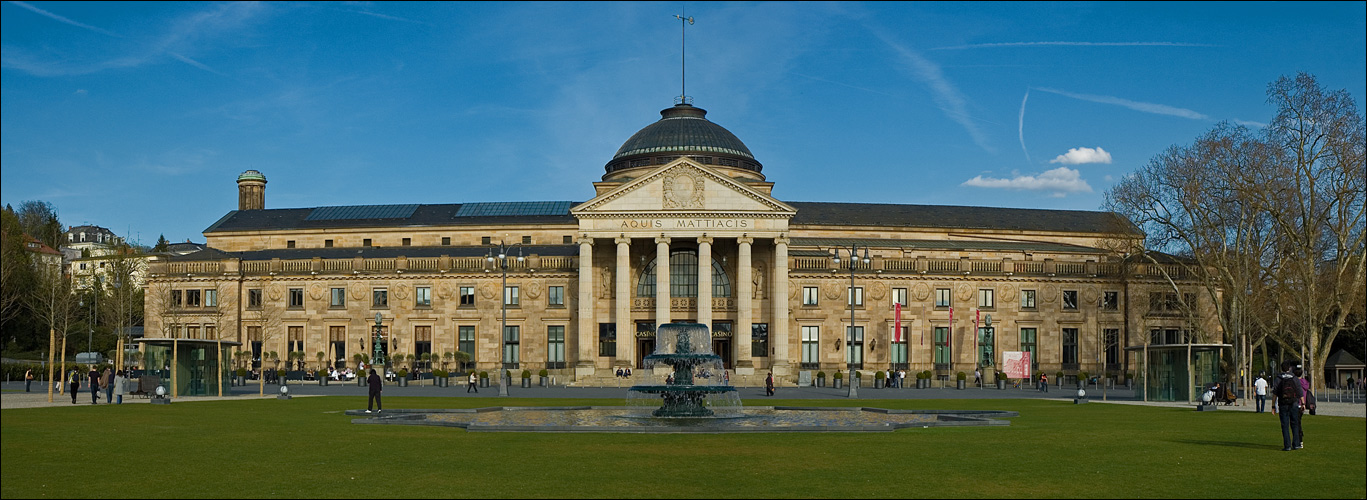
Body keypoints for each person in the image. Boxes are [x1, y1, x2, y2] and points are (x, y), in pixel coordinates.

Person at [1271, 360, 1303, 451]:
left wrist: (1273, 406)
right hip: (1294, 402)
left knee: (1285, 425)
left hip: (1283, 403)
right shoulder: (1294, 378)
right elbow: (1299, 391)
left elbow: (1275, 394)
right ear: (1289, 368)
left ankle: (1287, 445)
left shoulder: (1278, 378)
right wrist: (1303, 403)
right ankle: (1296, 444)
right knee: (1295, 424)